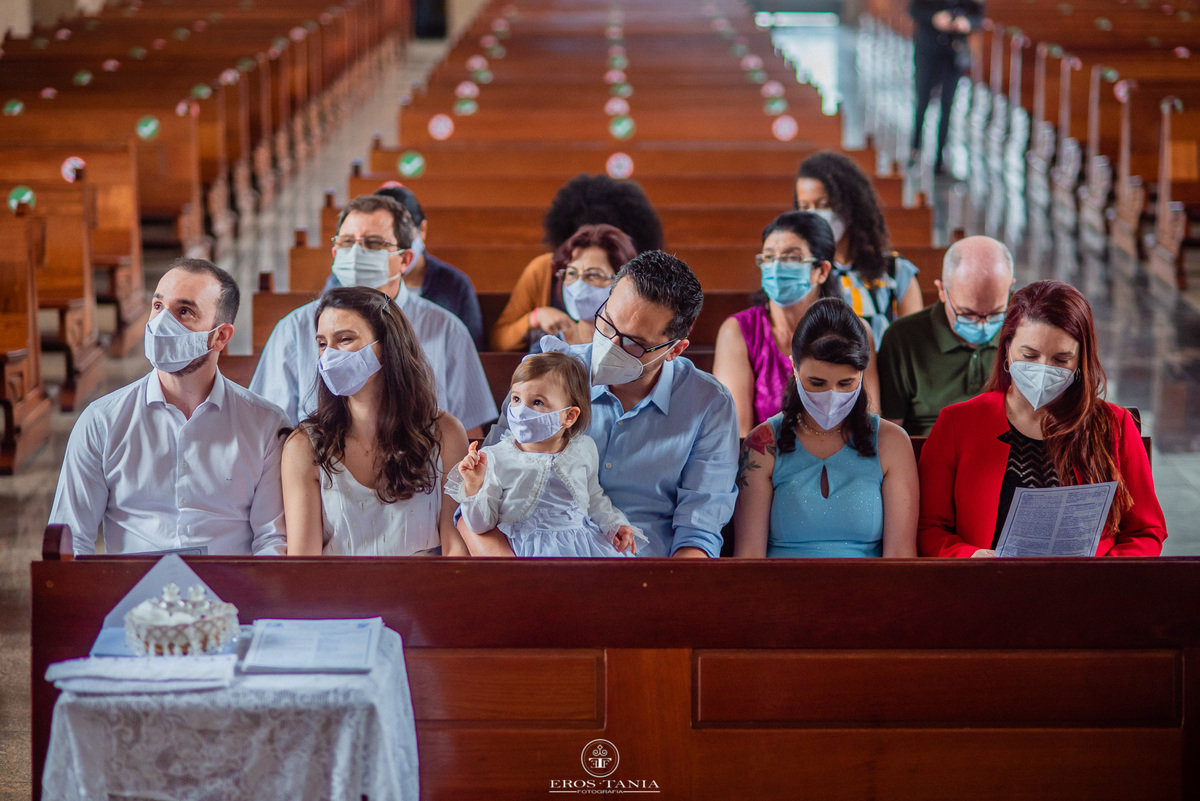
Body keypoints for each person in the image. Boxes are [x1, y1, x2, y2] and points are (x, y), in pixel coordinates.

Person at [473, 250, 740, 558]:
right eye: (607, 323)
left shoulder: (708, 404)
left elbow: (698, 534)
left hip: (645, 577)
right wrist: (517, 577)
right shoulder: (547, 376)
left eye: (634, 343)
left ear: (674, 350)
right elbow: (481, 492)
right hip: (533, 563)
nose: (610, 345)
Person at [49, 259, 288, 556]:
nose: (162, 323)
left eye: (184, 312)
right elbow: (73, 539)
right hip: (133, 593)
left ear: (220, 336)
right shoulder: (102, 421)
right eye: (159, 306)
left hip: (230, 593)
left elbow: (272, 540)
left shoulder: (266, 424)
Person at [918, 280, 1167, 557]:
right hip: (989, 586)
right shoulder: (958, 423)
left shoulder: (1113, 424)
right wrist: (970, 556)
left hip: (1088, 590)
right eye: (1029, 355)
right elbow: (929, 528)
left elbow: (1146, 531)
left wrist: (1105, 575)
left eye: (1061, 360)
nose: (1043, 369)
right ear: (1007, 350)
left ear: (1080, 362)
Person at [250, 194, 497, 435]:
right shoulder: (294, 328)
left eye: (374, 243)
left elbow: (469, 430)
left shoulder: (446, 329)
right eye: (347, 242)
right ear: (336, 254)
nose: (357, 254)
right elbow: (270, 430)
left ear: (405, 259)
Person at [281, 287, 469, 556]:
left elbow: (456, 549)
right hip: (338, 596)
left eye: (345, 339)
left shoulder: (445, 433)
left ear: (386, 347)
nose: (329, 356)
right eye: (322, 343)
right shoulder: (304, 446)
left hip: (426, 592)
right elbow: (303, 564)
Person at [733, 299, 918, 558]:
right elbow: (749, 557)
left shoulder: (891, 442)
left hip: (871, 593)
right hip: (779, 593)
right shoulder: (763, 444)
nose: (832, 395)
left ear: (862, 375)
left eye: (846, 383)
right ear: (795, 368)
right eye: (817, 383)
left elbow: (900, 556)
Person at [448, 352, 643, 557]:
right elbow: (480, 525)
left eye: (537, 402)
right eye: (516, 398)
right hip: (526, 550)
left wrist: (614, 524)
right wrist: (474, 487)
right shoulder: (496, 457)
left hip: (582, 547)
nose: (522, 410)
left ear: (569, 416)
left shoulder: (583, 449)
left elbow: (594, 497)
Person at [714, 210, 880, 437]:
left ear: (821, 271)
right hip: (763, 463)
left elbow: (868, 422)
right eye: (769, 257)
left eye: (792, 258)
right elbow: (738, 433)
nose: (777, 267)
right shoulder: (739, 332)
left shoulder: (854, 331)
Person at [490, 173, 664, 351]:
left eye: (594, 274)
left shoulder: (638, 286)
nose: (580, 281)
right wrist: (534, 318)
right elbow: (499, 342)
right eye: (572, 273)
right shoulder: (542, 269)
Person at [879, 235, 1014, 436]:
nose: (982, 324)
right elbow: (890, 432)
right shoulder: (902, 339)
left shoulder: (1022, 335)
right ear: (942, 291)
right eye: (967, 314)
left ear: (1010, 288)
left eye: (995, 313)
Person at [794, 151, 924, 344]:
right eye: (805, 207)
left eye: (824, 205)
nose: (815, 215)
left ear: (850, 205)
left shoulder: (895, 271)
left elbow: (914, 343)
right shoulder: (803, 271)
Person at [373, 184, 486, 350]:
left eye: (403, 233)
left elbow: (472, 350)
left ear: (422, 230)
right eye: (380, 239)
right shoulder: (347, 279)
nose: (396, 244)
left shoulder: (455, 285)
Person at [909, 0, 984, 175]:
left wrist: (967, 23)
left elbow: (979, 15)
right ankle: (915, 150)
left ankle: (940, 158)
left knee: (947, 104)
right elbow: (914, 9)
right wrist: (935, 19)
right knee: (922, 101)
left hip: (953, 52)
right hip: (928, 48)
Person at [535, 223, 637, 349]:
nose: (579, 284)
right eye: (572, 273)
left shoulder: (637, 349)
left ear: (623, 281)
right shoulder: (547, 347)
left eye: (593, 275)